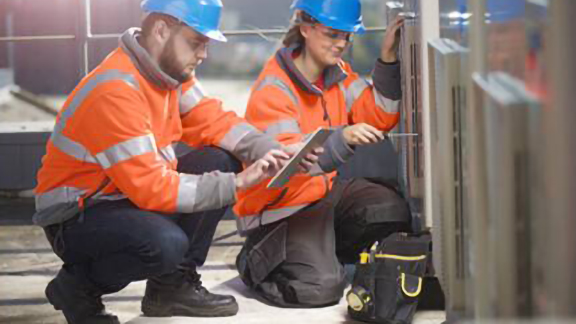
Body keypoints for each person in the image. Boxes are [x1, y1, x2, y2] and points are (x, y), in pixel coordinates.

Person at [34, 0, 319, 322]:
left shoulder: (167, 75)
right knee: (164, 244)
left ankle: (171, 288)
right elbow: (152, 188)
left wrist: (270, 150)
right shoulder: (116, 90)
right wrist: (237, 184)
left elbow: (213, 121)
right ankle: (77, 288)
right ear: (160, 31)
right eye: (197, 42)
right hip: (77, 215)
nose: (204, 54)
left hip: (122, 196)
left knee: (219, 158)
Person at [235, 0, 411, 308]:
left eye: (346, 35)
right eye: (332, 34)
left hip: (321, 192)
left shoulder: (337, 73)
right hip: (282, 208)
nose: (341, 43)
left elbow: (379, 115)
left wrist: (387, 59)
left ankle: (317, 252)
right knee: (319, 289)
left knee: (392, 211)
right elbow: (288, 168)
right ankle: (256, 260)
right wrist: (341, 139)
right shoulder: (273, 91)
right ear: (305, 28)